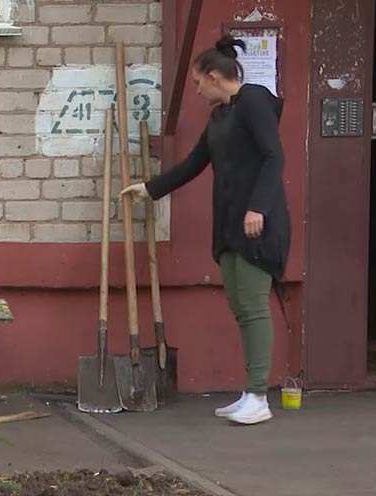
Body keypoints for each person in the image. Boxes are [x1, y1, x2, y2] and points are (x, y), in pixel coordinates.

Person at [123, 35, 290, 425]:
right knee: (239, 306)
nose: (197, 90)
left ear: (215, 76)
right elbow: (195, 163)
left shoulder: (253, 102)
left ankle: (259, 395)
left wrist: (258, 208)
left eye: (198, 82)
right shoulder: (219, 117)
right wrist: (150, 189)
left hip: (257, 225)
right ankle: (250, 392)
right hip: (231, 225)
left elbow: (273, 156)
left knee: (252, 307)